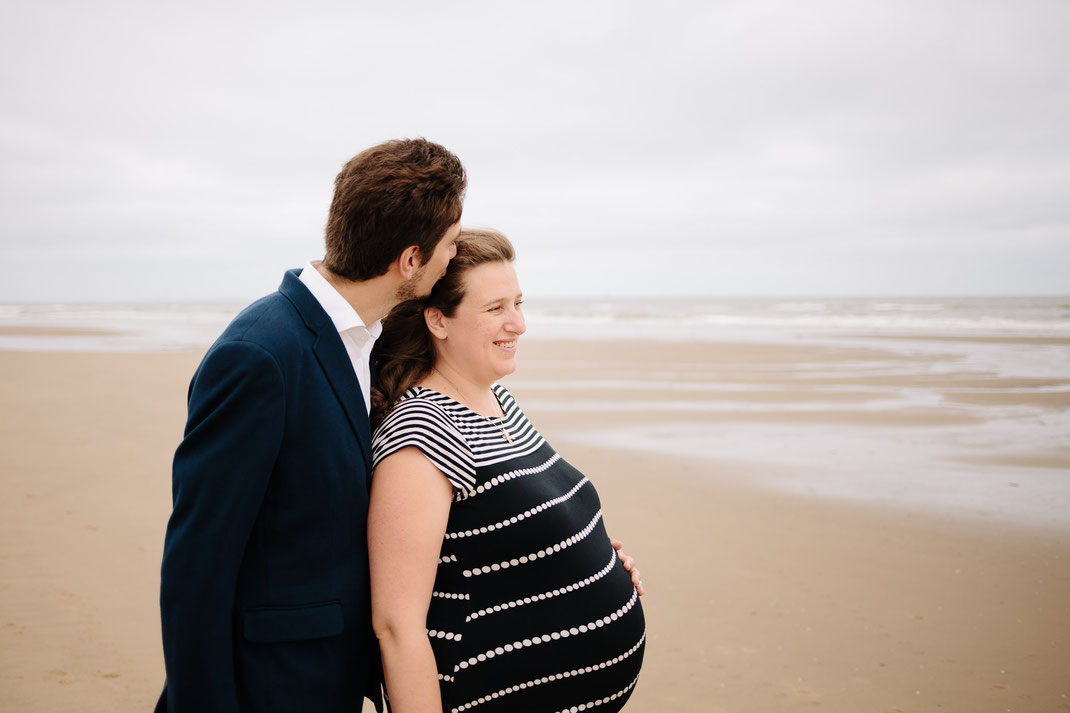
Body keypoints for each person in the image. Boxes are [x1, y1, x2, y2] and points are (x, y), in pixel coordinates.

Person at [156, 138, 467, 713]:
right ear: (409, 260)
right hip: (271, 688)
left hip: (334, 683)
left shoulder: (370, 340)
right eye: (449, 245)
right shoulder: (260, 356)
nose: (454, 257)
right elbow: (196, 567)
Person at [368, 228, 646, 713]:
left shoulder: (494, 398)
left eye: (518, 303)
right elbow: (396, 626)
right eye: (495, 309)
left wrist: (580, 555)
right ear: (438, 320)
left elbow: (507, 525)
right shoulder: (422, 434)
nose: (518, 323)